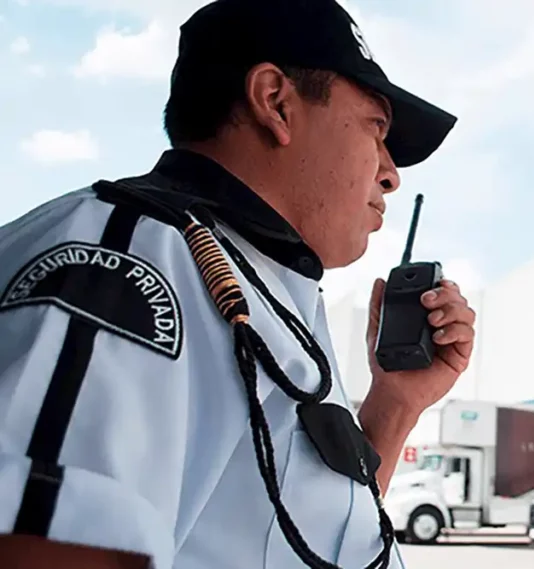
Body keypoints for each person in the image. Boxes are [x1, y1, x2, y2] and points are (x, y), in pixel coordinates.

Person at [0, 0, 475, 568]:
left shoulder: (259, 278)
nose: (391, 173)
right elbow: (40, 539)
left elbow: (304, 529)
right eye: (376, 129)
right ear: (276, 102)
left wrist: (395, 406)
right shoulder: (124, 258)